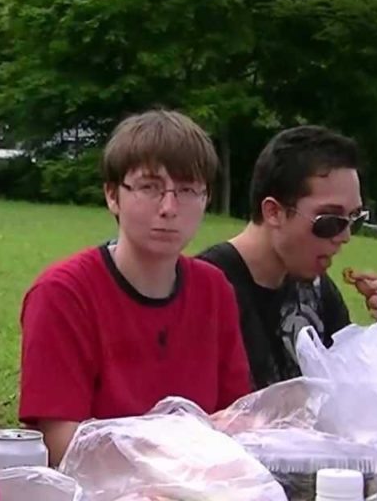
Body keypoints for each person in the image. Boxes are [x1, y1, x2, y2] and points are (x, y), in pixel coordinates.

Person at [18, 110, 251, 466]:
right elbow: (61, 440)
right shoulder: (63, 293)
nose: (169, 208)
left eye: (187, 190)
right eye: (149, 187)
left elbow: (234, 420)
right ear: (113, 195)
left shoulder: (214, 289)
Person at [198, 125, 377, 390]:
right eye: (330, 220)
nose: (345, 236)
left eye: (354, 219)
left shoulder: (318, 288)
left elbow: (348, 392)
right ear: (274, 212)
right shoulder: (206, 290)